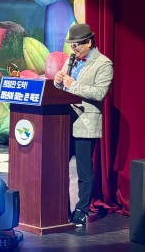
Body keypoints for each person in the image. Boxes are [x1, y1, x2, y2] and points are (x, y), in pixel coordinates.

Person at [54, 23, 113, 227]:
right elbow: (61, 87)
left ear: (89, 42)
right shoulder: (71, 60)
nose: (74, 48)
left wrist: (73, 85)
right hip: (64, 121)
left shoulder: (104, 64)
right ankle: (59, 206)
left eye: (77, 44)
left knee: (83, 171)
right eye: (71, 45)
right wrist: (58, 81)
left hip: (85, 122)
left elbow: (99, 93)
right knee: (58, 165)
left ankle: (81, 210)